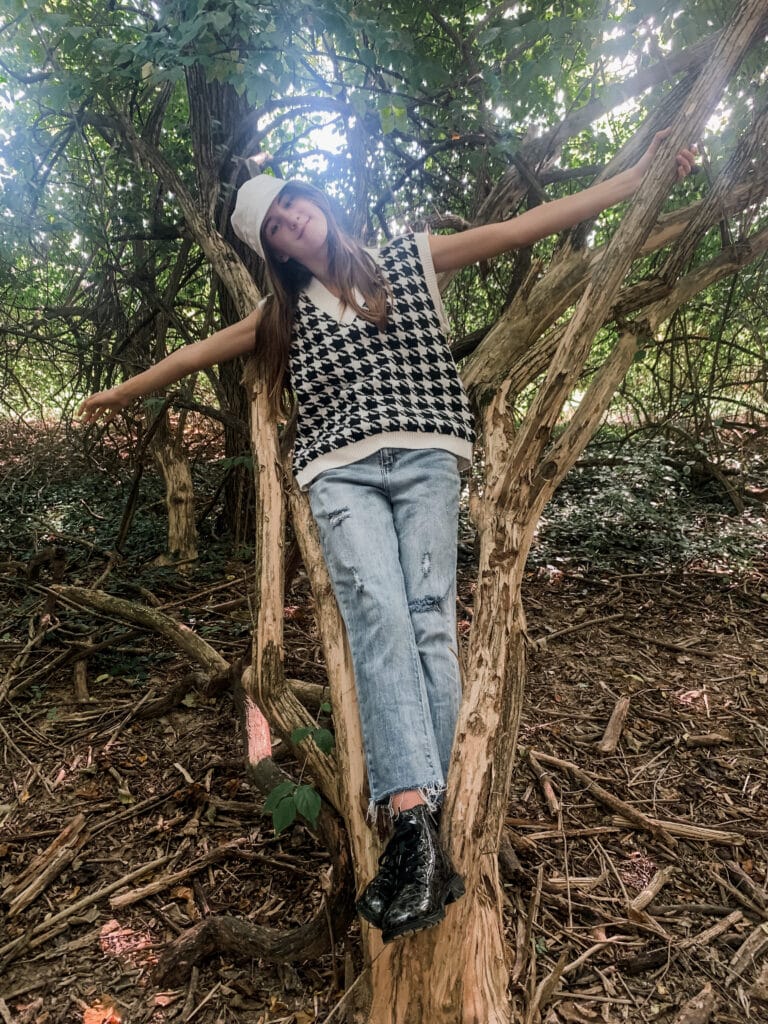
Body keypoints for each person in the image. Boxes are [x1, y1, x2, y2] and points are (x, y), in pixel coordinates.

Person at [79, 130, 696, 943]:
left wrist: (638, 175)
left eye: (295, 207)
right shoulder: (283, 313)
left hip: (430, 455)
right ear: (277, 253)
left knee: (431, 618)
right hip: (341, 472)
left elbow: (530, 227)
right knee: (379, 614)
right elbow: (195, 353)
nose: (292, 224)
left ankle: (421, 836)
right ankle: (414, 823)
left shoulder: (408, 259)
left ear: (318, 207)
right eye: (276, 229)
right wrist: (118, 394)